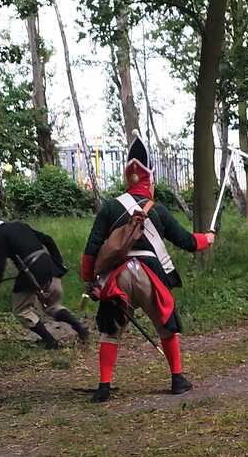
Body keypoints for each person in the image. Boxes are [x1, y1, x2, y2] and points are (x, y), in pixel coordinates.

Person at [80, 133, 215, 403]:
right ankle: (177, 379)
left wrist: (89, 281)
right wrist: (207, 239)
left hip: (117, 276)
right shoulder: (158, 210)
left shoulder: (110, 207)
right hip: (150, 273)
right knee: (166, 326)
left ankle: (104, 387)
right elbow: (186, 241)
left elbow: (92, 249)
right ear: (149, 180)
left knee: (110, 331)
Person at [0, 206, 89, 350]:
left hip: (32, 269)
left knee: (21, 310)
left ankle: (51, 342)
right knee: (52, 305)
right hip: (48, 265)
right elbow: (48, 239)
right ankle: (80, 328)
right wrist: (58, 264)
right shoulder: (18, 225)